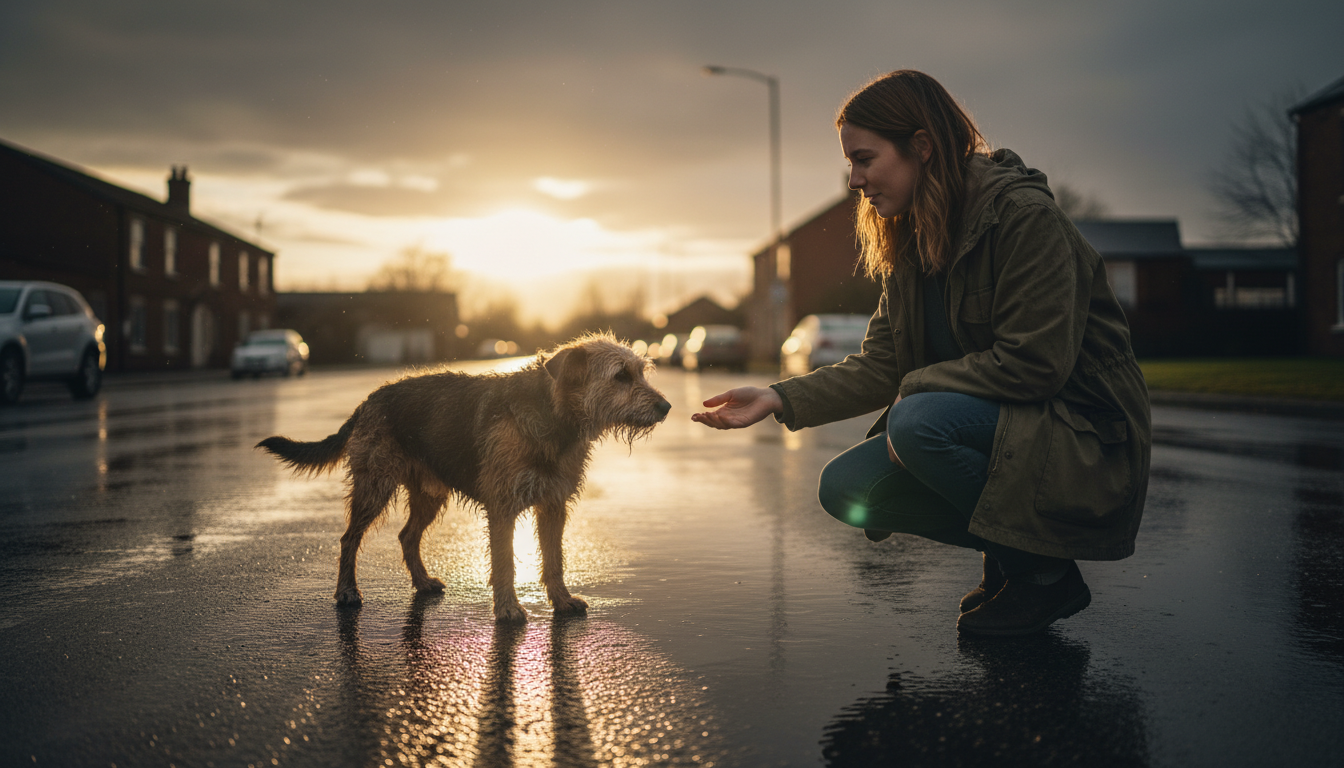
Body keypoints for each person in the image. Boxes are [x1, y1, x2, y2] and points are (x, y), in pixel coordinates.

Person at [692, 70, 1151, 636]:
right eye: (851, 164)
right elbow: (882, 364)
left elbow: (1036, 364)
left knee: (918, 422)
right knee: (847, 488)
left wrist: (919, 386)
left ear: (923, 147)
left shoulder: (1024, 220)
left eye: (865, 159)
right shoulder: (913, 238)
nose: (855, 180)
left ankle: (1044, 576)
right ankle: (1013, 556)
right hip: (1017, 430)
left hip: (1086, 437)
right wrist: (776, 396)